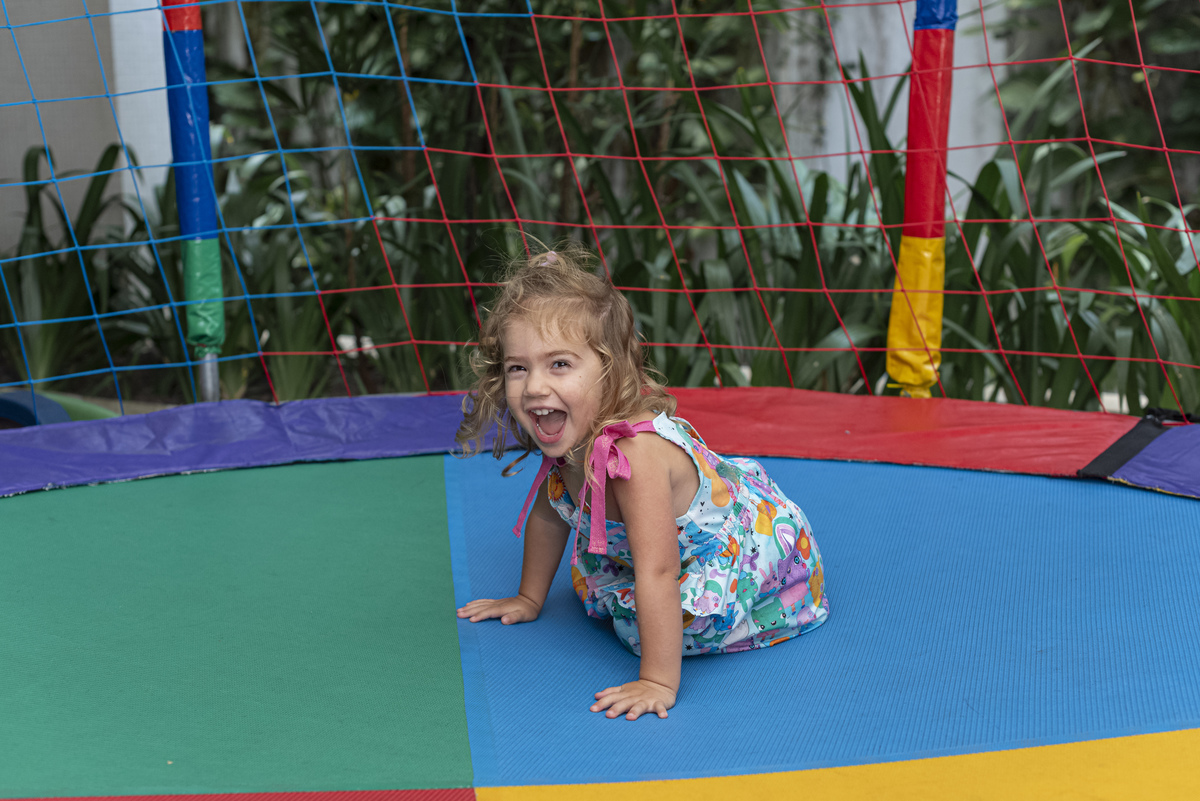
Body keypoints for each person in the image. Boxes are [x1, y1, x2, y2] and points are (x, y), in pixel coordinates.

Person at [455, 248, 829, 721]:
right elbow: (551, 514)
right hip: (664, 552)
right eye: (518, 367)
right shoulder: (568, 435)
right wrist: (529, 597)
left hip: (754, 550)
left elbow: (657, 571)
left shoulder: (633, 456)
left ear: (610, 369)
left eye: (559, 364)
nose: (533, 387)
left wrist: (656, 681)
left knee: (666, 619)